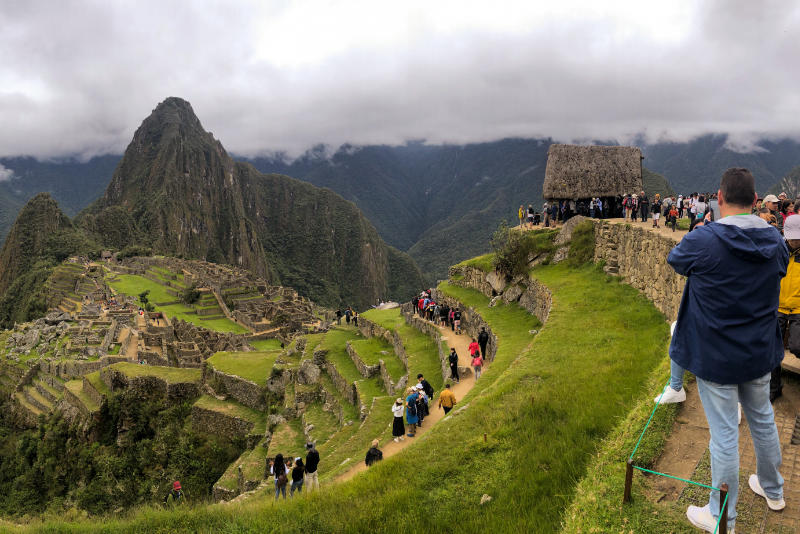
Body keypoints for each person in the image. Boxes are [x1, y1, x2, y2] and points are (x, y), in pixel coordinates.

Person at [669, 168, 786, 533]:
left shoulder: (704, 240)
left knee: (723, 435)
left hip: (716, 355)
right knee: (762, 418)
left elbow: (676, 260)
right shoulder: (777, 241)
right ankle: (773, 490)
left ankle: (722, 517)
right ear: (755, 201)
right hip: (758, 350)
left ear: (718, 199)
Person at [774, 215, 800, 402]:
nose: (795, 241)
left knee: (797, 346)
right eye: (792, 237)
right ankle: (774, 387)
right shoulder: (777, 251)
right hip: (778, 306)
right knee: (773, 349)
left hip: (798, 308)